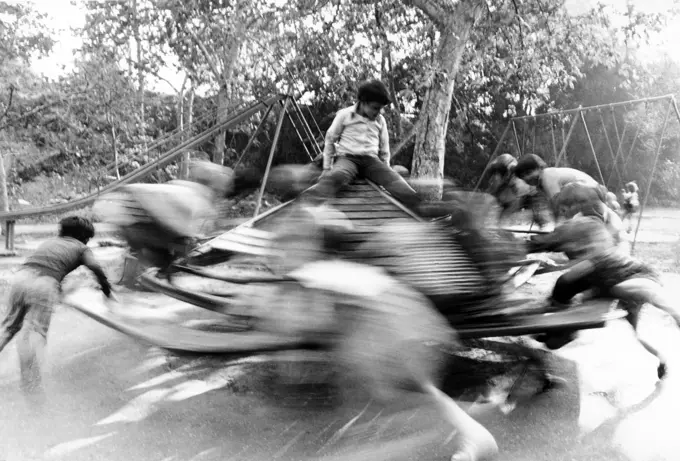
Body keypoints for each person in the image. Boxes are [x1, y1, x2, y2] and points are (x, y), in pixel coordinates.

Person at [528, 200, 680, 379]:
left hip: (639, 278)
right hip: (619, 283)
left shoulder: (598, 258)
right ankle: (661, 359)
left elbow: (566, 281)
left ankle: (675, 314)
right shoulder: (595, 258)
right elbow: (569, 284)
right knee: (636, 331)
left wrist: (674, 313)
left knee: (614, 290)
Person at [0, 216, 112, 397]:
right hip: (44, 285)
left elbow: (48, 265)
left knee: (8, 328)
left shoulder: (51, 242)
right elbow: (95, 267)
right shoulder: (81, 247)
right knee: (35, 335)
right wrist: (107, 290)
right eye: (87, 238)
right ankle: (31, 387)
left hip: (20, 279)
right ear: (83, 236)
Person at [306, 80, 446, 217]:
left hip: (371, 161)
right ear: (363, 102)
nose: (378, 112)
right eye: (375, 108)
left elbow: (384, 149)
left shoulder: (380, 120)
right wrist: (326, 168)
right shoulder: (345, 115)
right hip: (348, 158)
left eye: (380, 108)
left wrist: (386, 169)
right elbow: (330, 139)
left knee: (396, 182)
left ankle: (422, 208)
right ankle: (307, 202)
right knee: (337, 176)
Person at [513, 154, 599, 220]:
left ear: (539, 168)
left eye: (528, 173)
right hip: (588, 194)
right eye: (523, 177)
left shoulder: (546, 175)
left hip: (591, 192)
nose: (527, 178)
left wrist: (556, 231)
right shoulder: (541, 183)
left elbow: (557, 205)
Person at [486, 153, 550, 228]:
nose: (495, 181)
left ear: (506, 176)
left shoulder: (517, 176)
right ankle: (498, 222)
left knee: (532, 201)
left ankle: (540, 220)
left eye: (498, 179)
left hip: (529, 188)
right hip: (503, 173)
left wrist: (504, 218)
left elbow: (517, 200)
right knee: (499, 200)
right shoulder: (493, 169)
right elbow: (493, 191)